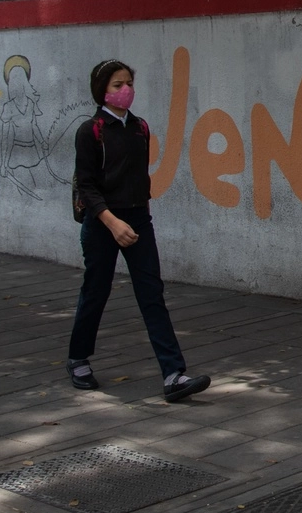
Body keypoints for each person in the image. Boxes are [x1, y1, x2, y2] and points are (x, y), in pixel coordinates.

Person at [67, 59, 210, 402]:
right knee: (96, 290)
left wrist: (136, 218)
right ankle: (77, 358)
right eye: (117, 85)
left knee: (152, 294)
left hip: (138, 220)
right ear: (102, 90)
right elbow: (86, 186)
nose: (125, 90)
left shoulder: (140, 128)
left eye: (128, 82)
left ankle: (174, 374)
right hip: (103, 223)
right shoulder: (91, 131)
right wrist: (112, 222)